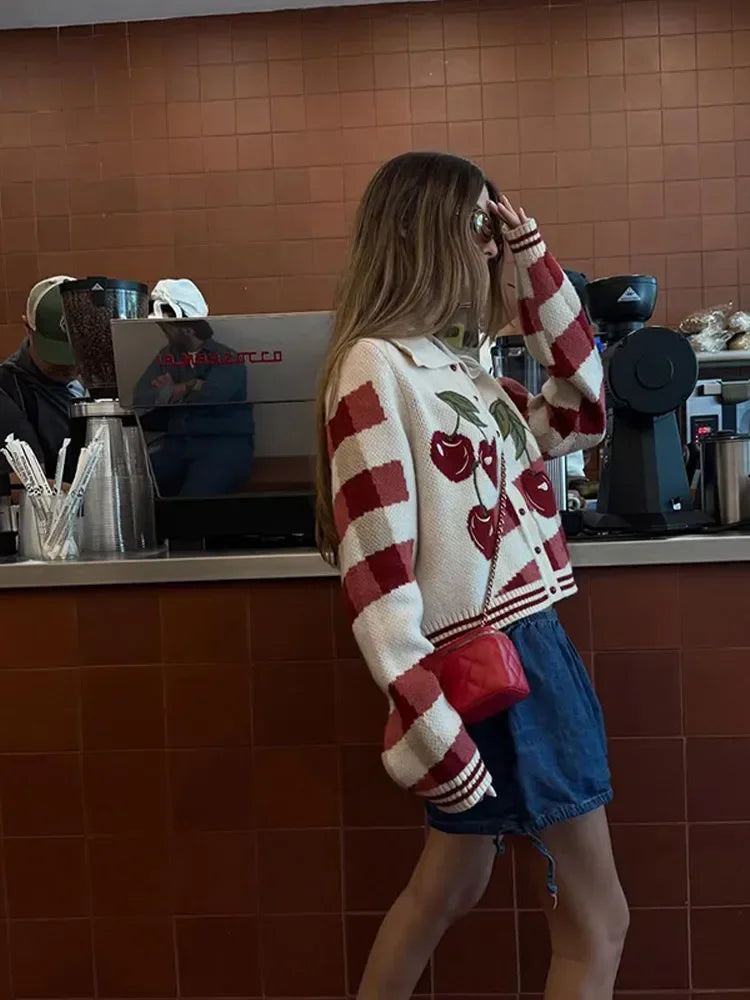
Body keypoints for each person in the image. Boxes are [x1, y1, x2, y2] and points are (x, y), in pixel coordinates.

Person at [316, 152, 627, 999]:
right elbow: (376, 576)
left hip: (518, 653)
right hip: (497, 663)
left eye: (496, 234)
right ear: (425, 234)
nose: (489, 251)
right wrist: (423, 719)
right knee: (597, 924)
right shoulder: (374, 367)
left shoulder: (461, 369)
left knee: (452, 886)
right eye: (480, 231)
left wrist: (534, 255)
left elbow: (584, 407)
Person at [133, 318, 253, 497]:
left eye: (166, 327)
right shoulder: (167, 355)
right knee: (136, 488)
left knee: (194, 499)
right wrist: (179, 390)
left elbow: (213, 397)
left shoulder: (227, 357)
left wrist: (184, 387)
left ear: (188, 330)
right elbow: (140, 397)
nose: (163, 331)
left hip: (222, 444)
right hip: (177, 443)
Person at [0, 276, 85, 477]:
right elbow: (26, 484)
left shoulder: (99, 378)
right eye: (57, 355)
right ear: (28, 328)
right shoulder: (8, 389)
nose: (70, 366)